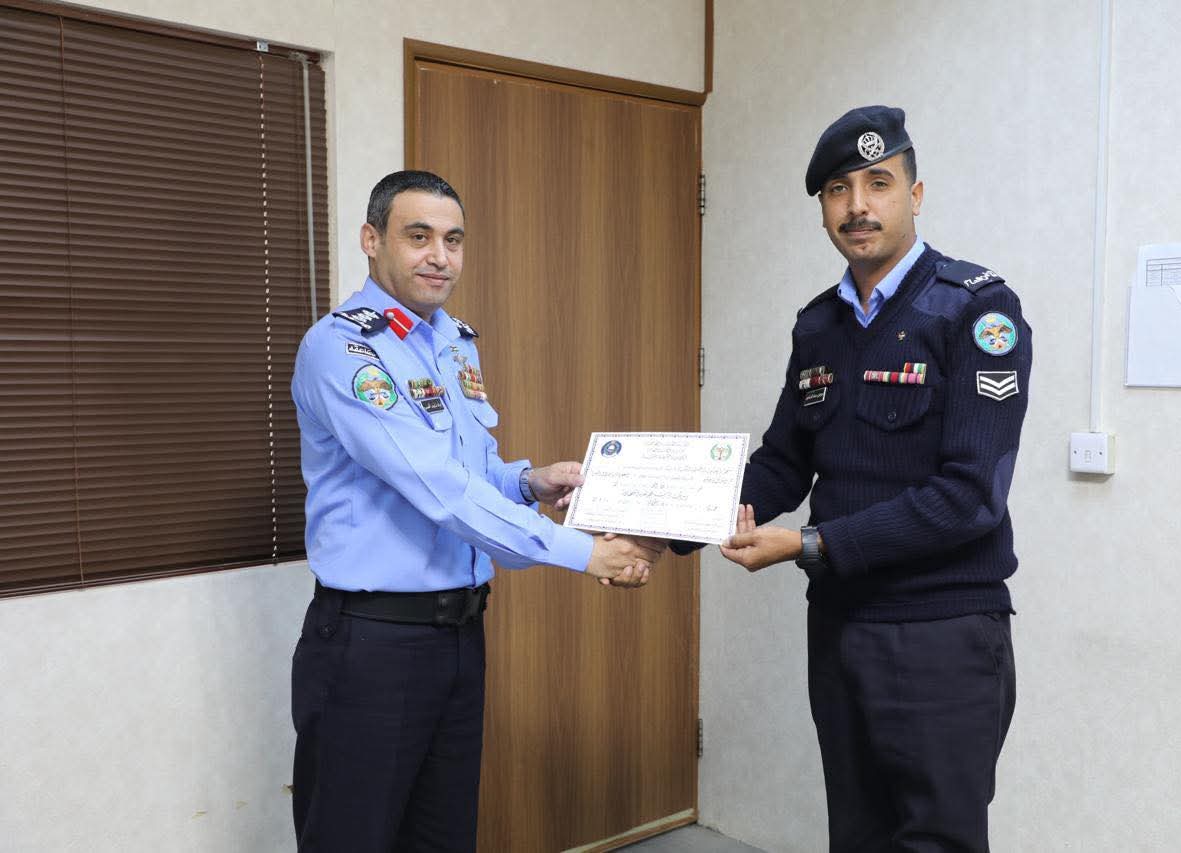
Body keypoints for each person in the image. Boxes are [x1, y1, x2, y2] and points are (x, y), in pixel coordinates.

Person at [289, 170, 662, 852]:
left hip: (457, 637)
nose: (440, 256)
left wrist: (528, 481)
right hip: (372, 643)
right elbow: (437, 487)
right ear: (372, 240)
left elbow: (469, 468)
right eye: (419, 236)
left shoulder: (451, 340)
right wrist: (585, 552)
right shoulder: (343, 350)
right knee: (352, 837)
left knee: (443, 835)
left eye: (453, 240)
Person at [716, 106, 1032, 851]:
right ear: (823, 207)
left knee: (937, 839)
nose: (857, 205)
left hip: (941, 632)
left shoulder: (977, 310)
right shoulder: (818, 324)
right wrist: (666, 521)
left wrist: (809, 544)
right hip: (839, 626)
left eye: (878, 183)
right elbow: (783, 461)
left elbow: (971, 497)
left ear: (914, 195)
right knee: (856, 834)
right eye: (838, 189)